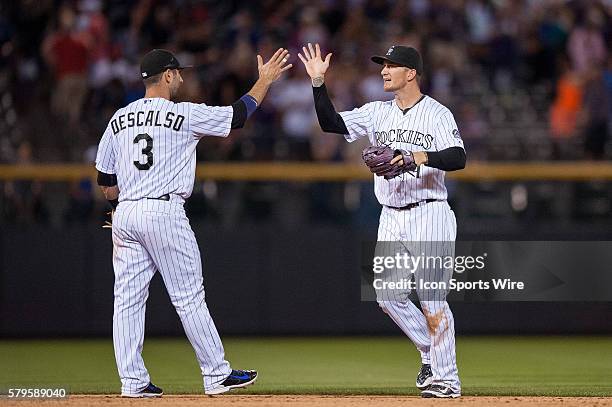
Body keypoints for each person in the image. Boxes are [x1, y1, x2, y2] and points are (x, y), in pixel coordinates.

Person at [95, 48, 291, 397]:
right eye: (179, 73)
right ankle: (216, 373)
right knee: (188, 297)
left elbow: (105, 179)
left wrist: (115, 211)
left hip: (126, 213)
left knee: (126, 300)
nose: (183, 78)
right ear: (167, 75)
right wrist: (264, 81)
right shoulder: (184, 114)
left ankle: (133, 382)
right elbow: (238, 116)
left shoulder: (118, 119)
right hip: (163, 211)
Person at [298, 43, 465, 398]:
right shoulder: (377, 113)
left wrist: (412, 156)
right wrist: (316, 82)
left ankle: (447, 380)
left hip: (429, 212)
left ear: (412, 73)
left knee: (433, 299)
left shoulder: (436, 113)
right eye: (383, 66)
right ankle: (428, 352)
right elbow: (330, 123)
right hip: (391, 214)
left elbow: (457, 157)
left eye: (392, 66)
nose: (384, 71)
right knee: (388, 296)